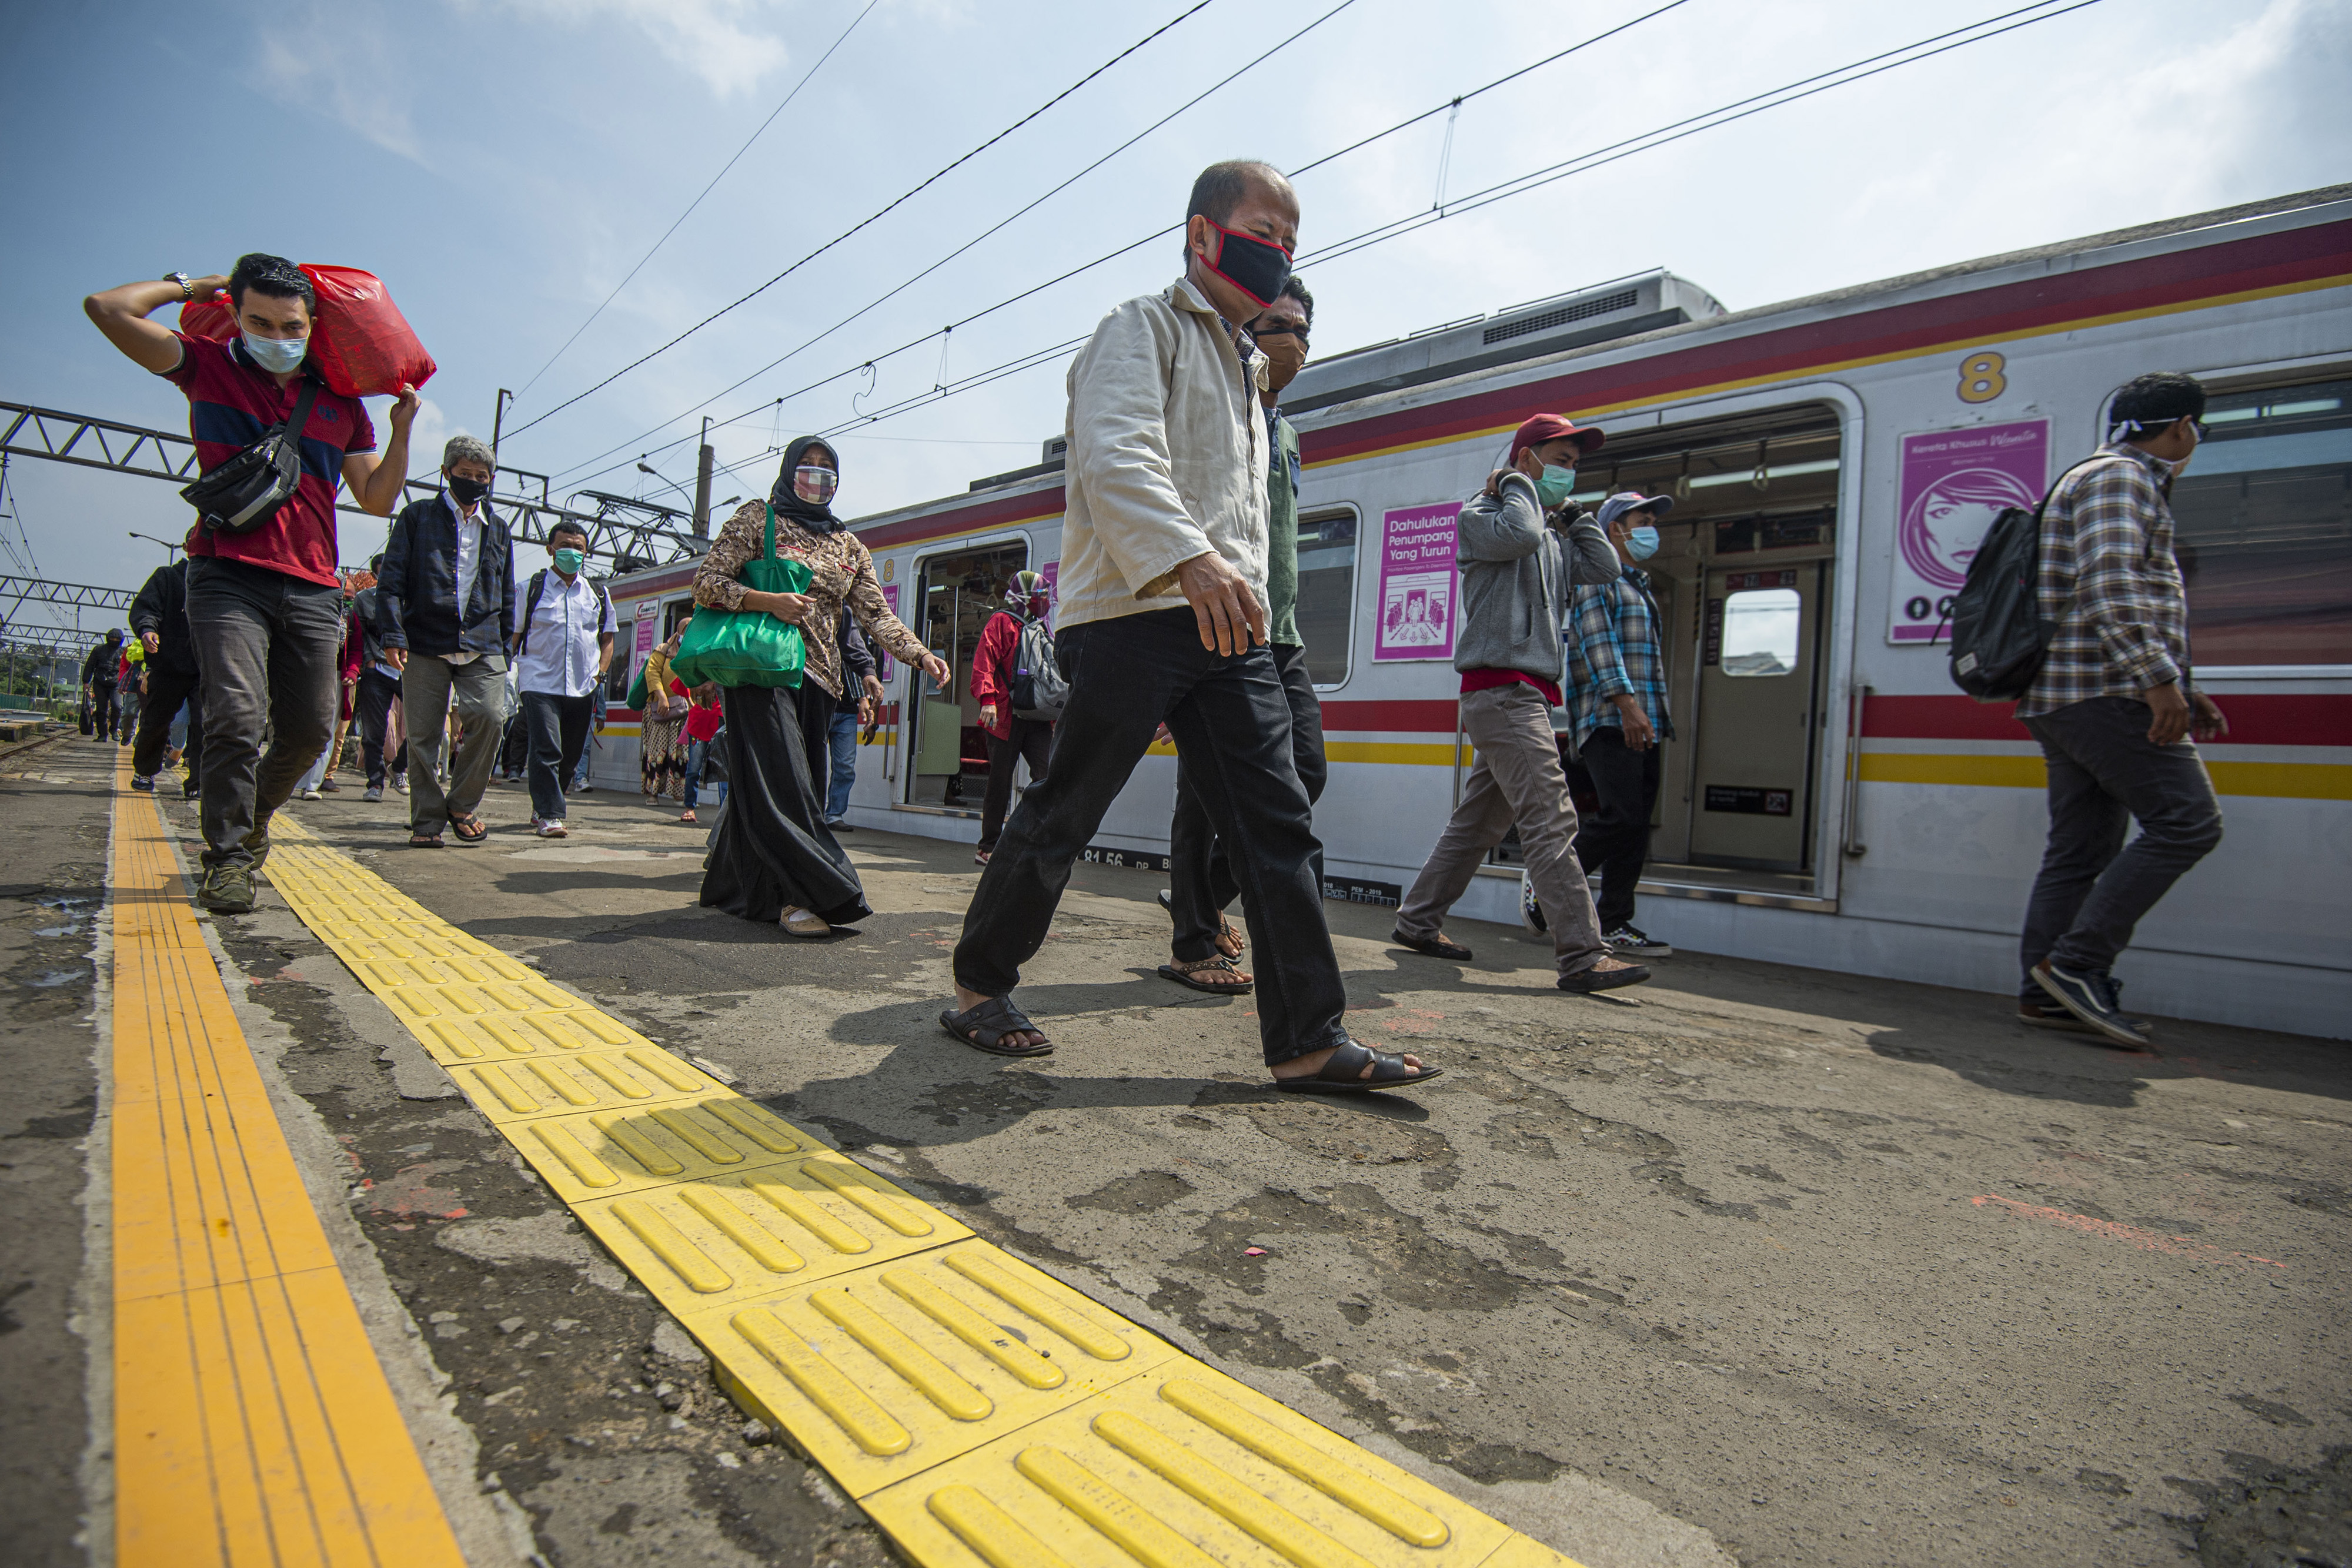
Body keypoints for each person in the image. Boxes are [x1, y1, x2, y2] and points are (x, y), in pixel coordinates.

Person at [941, 160, 1438, 1094]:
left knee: (1275, 820)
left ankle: (1306, 1035)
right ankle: (978, 987)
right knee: (1068, 805)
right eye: (1265, 229)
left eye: (1292, 241)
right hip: (1137, 608)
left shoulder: (1249, 370)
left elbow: (1240, 517)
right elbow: (1117, 452)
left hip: (1228, 625)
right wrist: (1189, 558)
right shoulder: (1142, 328)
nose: (1280, 251)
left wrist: (1233, 585)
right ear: (1205, 234)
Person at [84, 255, 417, 911]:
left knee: (310, 732)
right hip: (226, 577)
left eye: (290, 325)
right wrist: (190, 286)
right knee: (235, 717)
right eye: (258, 321)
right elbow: (107, 309)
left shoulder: (341, 404)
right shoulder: (205, 367)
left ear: (312, 324)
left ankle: (254, 819)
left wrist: (402, 432)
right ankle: (228, 859)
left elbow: (377, 498)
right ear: (235, 314)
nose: (276, 335)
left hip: (316, 587)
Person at [1391, 414, 1650, 995]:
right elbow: (1521, 537)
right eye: (1559, 461)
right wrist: (1516, 486)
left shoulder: (1553, 536)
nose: (1568, 474)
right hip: (1501, 689)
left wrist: (1579, 517)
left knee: (1479, 820)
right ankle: (1582, 953)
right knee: (1551, 817)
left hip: (1523, 692)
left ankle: (1416, 921)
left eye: (1574, 466)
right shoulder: (1481, 517)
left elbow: (1606, 570)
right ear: (1526, 458)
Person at [2016, 371, 2227, 1044]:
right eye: (2194, 428)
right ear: (2180, 427)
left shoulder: (2098, 477)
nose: (2193, 439)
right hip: (2102, 691)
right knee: (2188, 823)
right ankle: (2076, 965)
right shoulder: (2121, 480)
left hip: (2067, 692)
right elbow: (2110, 582)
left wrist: (2179, 685)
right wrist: (2157, 680)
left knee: (2078, 851)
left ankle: (2044, 991)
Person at [693, 439, 944, 936]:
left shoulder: (848, 545)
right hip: (761, 674)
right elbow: (707, 582)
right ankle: (806, 896)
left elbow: (877, 613)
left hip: (822, 681)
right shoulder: (756, 519)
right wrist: (764, 600)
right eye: (808, 468)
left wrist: (919, 654)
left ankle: (733, 883)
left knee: (792, 783)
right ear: (789, 471)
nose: (817, 477)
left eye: (828, 471)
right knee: (787, 787)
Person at [1161, 276, 1320, 991]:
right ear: (1245, 331)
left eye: (1302, 330)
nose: (1292, 341)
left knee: (1306, 770)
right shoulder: (1218, 407)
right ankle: (1193, 935)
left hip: (1279, 627)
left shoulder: (1285, 432)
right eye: (1276, 325)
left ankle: (1200, 899)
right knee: (1204, 789)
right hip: (1222, 622)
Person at [379, 434, 516, 847]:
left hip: (484, 641)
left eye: (482, 476)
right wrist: (392, 633)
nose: (475, 481)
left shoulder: (499, 530)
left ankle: (460, 804)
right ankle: (426, 821)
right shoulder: (417, 517)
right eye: (466, 474)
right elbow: (391, 582)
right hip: (425, 638)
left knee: (493, 716)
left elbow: (507, 593)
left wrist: (505, 647)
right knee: (422, 736)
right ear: (446, 473)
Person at [1564, 492, 1679, 961]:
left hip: (1643, 720)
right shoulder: (1599, 577)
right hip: (1610, 716)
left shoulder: (1640, 586)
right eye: (1643, 519)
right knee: (1620, 815)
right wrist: (1627, 705)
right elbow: (1598, 642)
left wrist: (1648, 716)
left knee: (1636, 825)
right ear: (1616, 528)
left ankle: (1614, 921)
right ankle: (1548, 881)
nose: (1652, 527)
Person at [510, 523, 612, 840]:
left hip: (583, 685)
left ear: (586, 553)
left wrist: (600, 675)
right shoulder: (531, 588)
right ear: (551, 549)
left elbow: (607, 638)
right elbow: (514, 636)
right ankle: (551, 814)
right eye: (565, 545)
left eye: (579, 547)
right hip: (539, 681)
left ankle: (545, 803)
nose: (573, 551)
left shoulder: (598, 593)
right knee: (546, 748)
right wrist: (506, 672)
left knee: (569, 755)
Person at [969, 570, 1057, 865]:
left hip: (1036, 715)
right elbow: (985, 661)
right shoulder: (1001, 623)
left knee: (1047, 776)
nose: (1044, 602)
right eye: (1040, 596)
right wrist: (988, 700)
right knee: (1000, 780)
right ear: (1025, 597)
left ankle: (1026, 837)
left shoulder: (1041, 629)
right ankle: (989, 846)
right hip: (1003, 714)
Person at [129, 559, 203, 796]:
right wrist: (147, 628)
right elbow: (146, 607)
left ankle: (199, 783)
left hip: (208, 668)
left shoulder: (226, 579)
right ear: (187, 546)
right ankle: (145, 771)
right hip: (168, 664)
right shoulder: (168, 577)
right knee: (156, 722)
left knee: (207, 726)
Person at [350, 556, 406, 801]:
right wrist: (368, 663)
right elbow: (358, 636)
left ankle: (399, 767)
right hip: (377, 668)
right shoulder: (364, 600)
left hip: (407, 669)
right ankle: (375, 783)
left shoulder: (410, 597)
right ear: (374, 576)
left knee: (424, 724)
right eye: (382, 573)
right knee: (374, 732)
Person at [823, 611, 883, 830]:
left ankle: (834, 815)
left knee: (845, 766)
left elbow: (864, 677)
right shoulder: (827, 626)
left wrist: (865, 705)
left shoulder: (867, 643)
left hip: (847, 710)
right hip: (823, 706)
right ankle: (814, 814)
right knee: (815, 764)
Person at [639, 624, 689, 802]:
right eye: (685, 632)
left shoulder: (694, 649)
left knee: (682, 754)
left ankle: (679, 793)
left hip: (685, 712)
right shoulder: (663, 650)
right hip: (662, 711)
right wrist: (662, 697)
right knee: (657, 753)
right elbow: (652, 673)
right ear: (678, 633)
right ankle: (653, 793)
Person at [676, 666, 723, 825]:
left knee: (724, 771)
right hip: (698, 724)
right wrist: (691, 702)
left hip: (720, 722)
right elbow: (680, 681)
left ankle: (724, 814)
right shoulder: (697, 661)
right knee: (694, 769)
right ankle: (689, 807)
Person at [81, 631, 122, 747]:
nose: (114, 641)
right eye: (112, 638)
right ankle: (102, 735)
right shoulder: (98, 650)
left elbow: (126, 668)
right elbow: (90, 665)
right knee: (101, 710)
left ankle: (114, 729)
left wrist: (125, 684)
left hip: (116, 684)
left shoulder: (123, 652)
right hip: (100, 683)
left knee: (117, 706)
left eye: (117, 639)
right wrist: (86, 682)